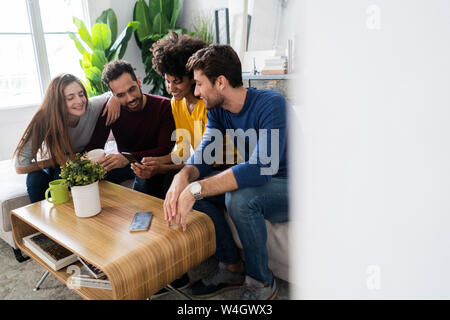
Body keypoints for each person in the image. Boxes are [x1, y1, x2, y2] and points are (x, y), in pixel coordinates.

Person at [164, 45, 289, 300]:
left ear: (220, 82)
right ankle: (231, 266)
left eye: (199, 84)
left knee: (239, 198)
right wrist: (182, 178)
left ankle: (262, 283)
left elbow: (260, 168)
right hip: (264, 185)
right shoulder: (218, 111)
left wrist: (196, 189)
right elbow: (203, 155)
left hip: (291, 186)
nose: (196, 92)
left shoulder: (271, 103)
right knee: (195, 192)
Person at [14, 73, 120, 203]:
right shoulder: (43, 120)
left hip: (76, 162)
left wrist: (114, 98)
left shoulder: (91, 107)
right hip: (55, 161)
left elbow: (112, 94)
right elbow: (20, 166)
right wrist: (57, 160)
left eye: (81, 94)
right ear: (57, 102)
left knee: (62, 177)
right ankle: (37, 221)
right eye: (70, 98)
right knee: (35, 180)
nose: (79, 101)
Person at [85, 60, 176, 199]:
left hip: (153, 164)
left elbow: (164, 149)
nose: (130, 98)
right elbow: (94, 146)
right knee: (89, 177)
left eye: (132, 89)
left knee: (143, 176)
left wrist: (127, 158)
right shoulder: (112, 110)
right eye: (120, 95)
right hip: (125, 164)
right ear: (113, 95)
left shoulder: (163, 106)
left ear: (139, 82)